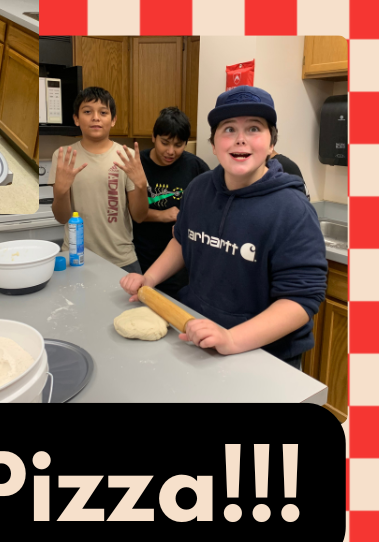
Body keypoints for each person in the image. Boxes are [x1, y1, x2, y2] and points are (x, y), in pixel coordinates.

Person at [120, 86, 328, 370]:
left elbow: (300, 300)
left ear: (271, 145)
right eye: (228, 129)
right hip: (198, 336)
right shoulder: (198, 189)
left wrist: (232, 338)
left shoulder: (292, 210)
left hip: (267, 356)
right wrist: (150, 279)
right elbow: (183, 240)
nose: (240, 139)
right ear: (214, 143)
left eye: (254, 128)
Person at [49, 87, 149, 273]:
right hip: (76, 258)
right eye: (87, 112)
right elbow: (62, 217)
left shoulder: (126, 156)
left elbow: (140, 216)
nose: (96, 117)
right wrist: (61, 192)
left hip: (122, 260)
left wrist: (142, 186)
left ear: (113, 120)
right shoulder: (64, 156)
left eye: (103, 112)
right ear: (76, 119)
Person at [133, 108, 210, 299]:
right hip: (140, 255)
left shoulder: (196, 167)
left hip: (180, 264)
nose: (170, 151)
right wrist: (162, 215)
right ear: (153, 137)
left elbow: (208, 210)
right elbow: (129, 211)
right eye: (164, 143)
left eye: (178, 145)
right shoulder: (137, 164)